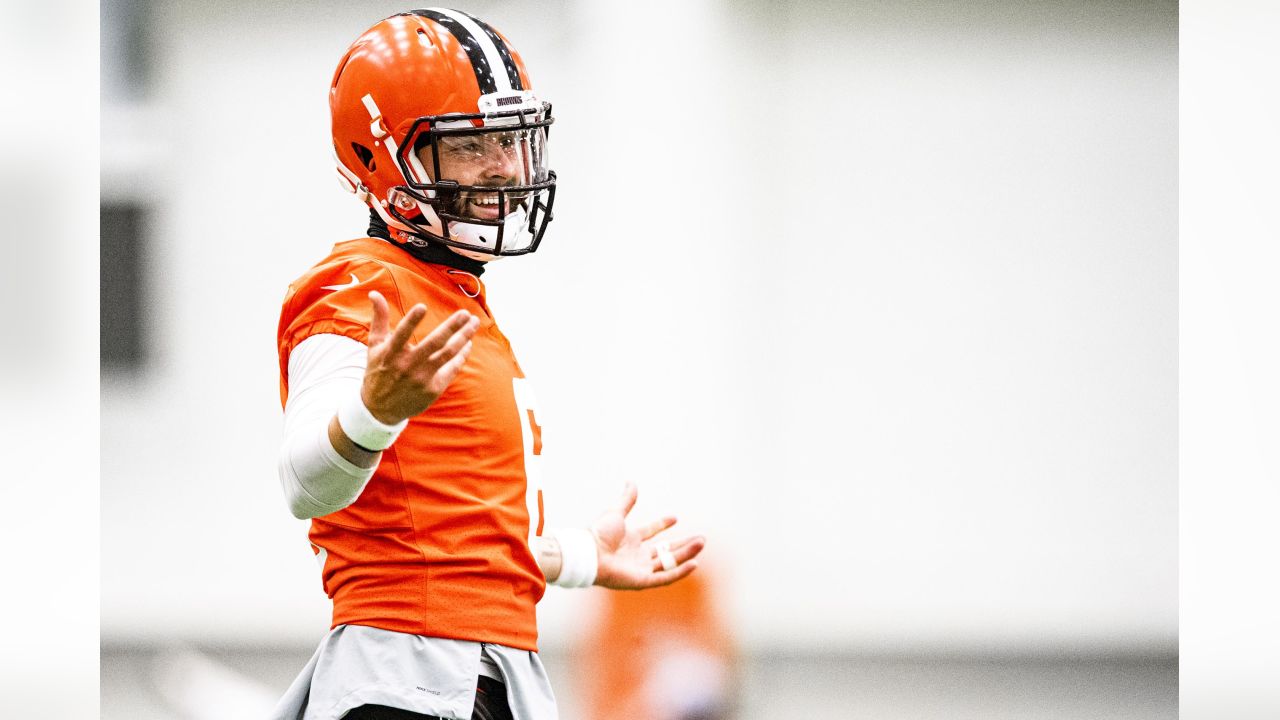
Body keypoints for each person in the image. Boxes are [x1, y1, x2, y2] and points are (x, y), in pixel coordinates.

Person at [268, 9, 705, 720]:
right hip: (413, 678)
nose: (504, 167)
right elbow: (303, 482)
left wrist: (586, 556)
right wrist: (371, 414)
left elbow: (459, 549)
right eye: (473, 146)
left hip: (469, 671)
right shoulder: (359, 284)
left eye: (509, 140)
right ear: (387, 163)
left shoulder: (454, 297)